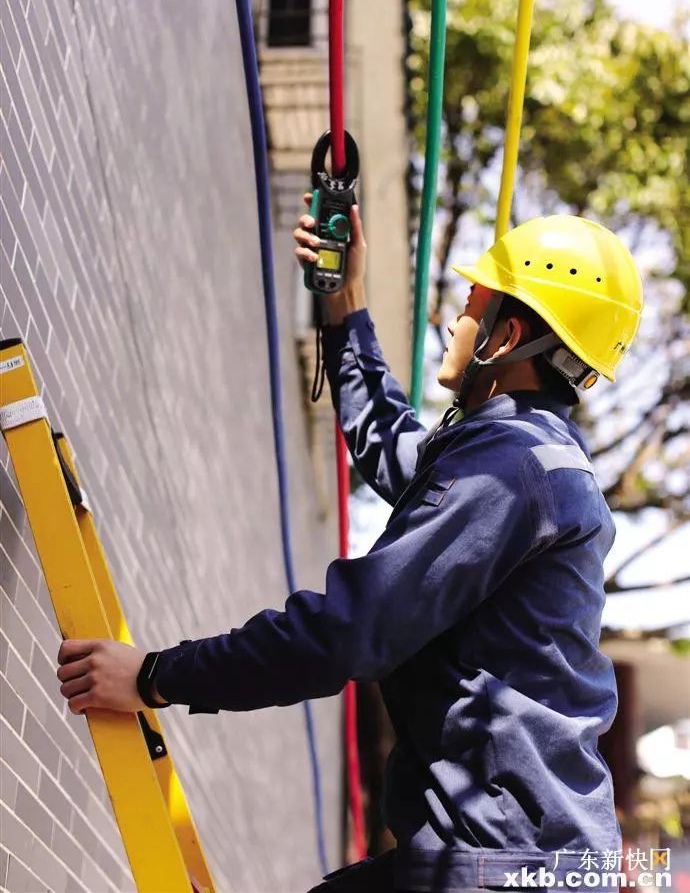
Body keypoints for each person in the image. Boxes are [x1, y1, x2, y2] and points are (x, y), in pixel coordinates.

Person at [56, 203, 643, 893]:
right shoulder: (524, 462)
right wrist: (346, 305)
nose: (455, 322)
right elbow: (393, 446)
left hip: (501, 870)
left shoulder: (511, 471)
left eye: (469, 305)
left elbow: (347, 632)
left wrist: (155, 675)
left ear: (503, 334)